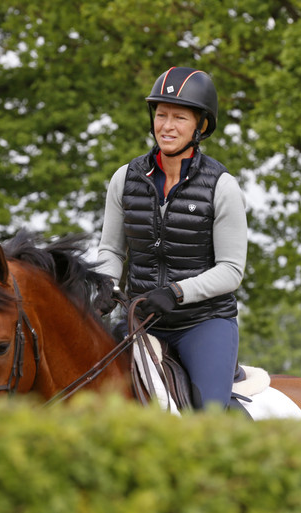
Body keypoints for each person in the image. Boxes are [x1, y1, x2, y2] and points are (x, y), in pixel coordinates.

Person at [96, 66, 248, 410]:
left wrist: (177, 292)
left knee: (210, 414)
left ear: (200, 126)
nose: (167, 126)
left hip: (203, 323)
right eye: (161, 115)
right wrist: (104, 284)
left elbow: (231, 270)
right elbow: (110, 249)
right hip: (140, 320)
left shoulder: (222, 186)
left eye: (179, 117)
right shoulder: (124, 178)